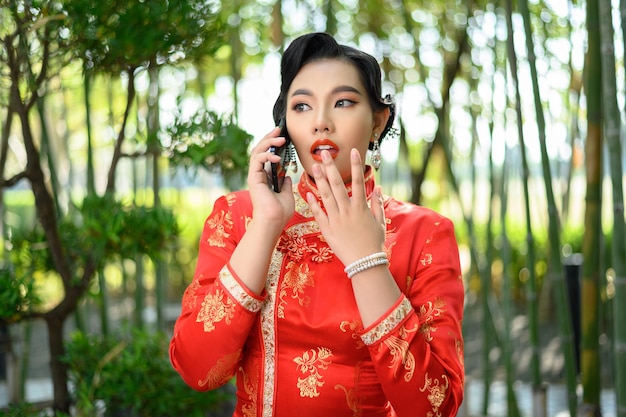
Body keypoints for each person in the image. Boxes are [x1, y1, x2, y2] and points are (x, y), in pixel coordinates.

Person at [169, 32, 465, 417]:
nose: (321, 122)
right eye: (302, 106)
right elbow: (197, 370)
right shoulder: (238, 217)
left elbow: (434, 407)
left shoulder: (423, 233)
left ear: (378, 120)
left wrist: (367, 261)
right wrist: (266, 225)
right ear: (284, 127)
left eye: (343, 102)